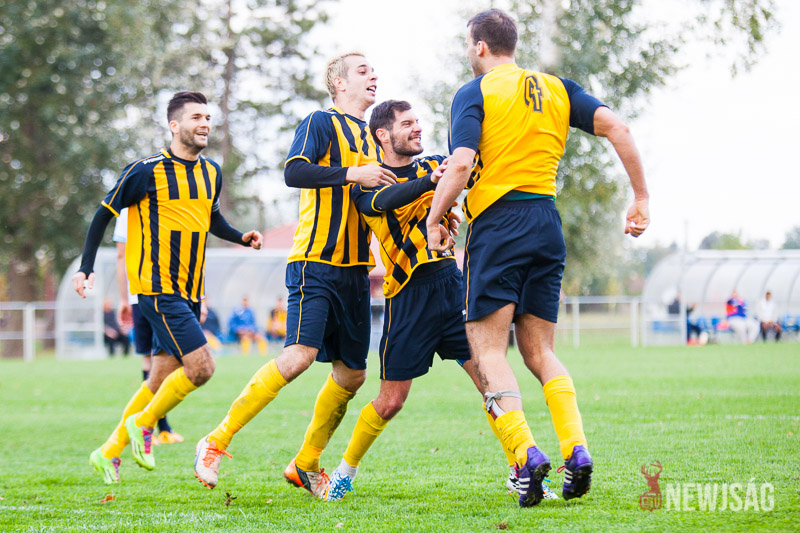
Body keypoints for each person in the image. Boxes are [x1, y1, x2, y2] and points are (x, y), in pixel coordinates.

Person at [426, 9, 650, 506]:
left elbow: (461, 163)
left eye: (468, 45)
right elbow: (619, 128)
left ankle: (526, 454)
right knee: (541, 352)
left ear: (479, 46)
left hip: (498, 226)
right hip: (546, 222)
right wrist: (640, 198)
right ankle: (576, 449)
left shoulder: (474, 92)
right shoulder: (557, 88)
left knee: (488, 352)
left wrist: (435, 217)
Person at [322, 99, 557, 502]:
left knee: (490, 382)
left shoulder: (434, 164)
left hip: (451, 287)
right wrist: (434, 184)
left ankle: (523, 467)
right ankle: (345, 471)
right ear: (383, 135)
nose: (417, 128)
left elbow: (468, 175)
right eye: (407, 123)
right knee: (390, 401)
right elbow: (387, 202)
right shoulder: (369, 182)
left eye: (418, 121)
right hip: (407, 298)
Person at [194, 53, 396, 495]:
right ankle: (215, 440)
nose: (374, 75)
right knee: (299, 356)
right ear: (339, 83)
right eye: (363, 71)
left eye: (374, 70)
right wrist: (353, 173)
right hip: (314, 263)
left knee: (352, 375)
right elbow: (293, 171)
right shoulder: (321, 121)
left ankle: (305, 463)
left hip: (355, 272)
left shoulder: (373, 138)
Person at [74, 91, 262, 484]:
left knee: (159, 376)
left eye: (207, 117)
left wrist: (241, 237)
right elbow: (103, 214)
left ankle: (107, 452)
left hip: (191, 291)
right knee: (202, 367)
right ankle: (144, 424)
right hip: (158, 289)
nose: (204, 123)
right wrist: (86, 267)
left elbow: (212, 219)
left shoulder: (211, 172)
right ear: (174, 125)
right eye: (196, 117)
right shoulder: (145, 171)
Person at [113, 208, 182, 444]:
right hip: (162, 293)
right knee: (165, 360)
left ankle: (152, 427)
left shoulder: (125, 210)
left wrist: (124, 299)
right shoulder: (163, 201)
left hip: (139, 295)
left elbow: (121, 255)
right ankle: (158, 427)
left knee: (151, 361)